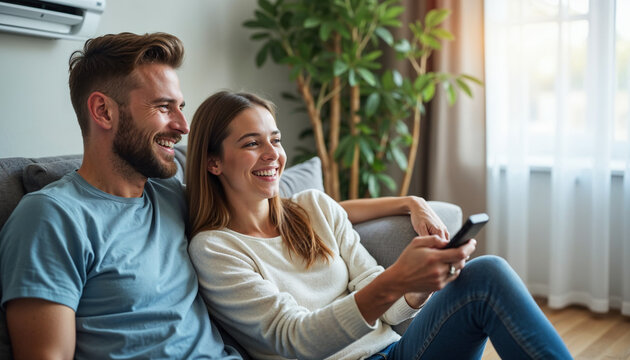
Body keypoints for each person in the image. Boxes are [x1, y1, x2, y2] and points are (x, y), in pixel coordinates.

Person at [0, 32, 447, 359]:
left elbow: (286, 209)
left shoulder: (169, 192)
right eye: (163, 107)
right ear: (103, 111)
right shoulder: (51, 217)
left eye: (181, 107)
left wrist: (409, 203)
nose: (183, 126)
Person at [185, 91, 573, 360]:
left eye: (276, 139)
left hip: (398, 352)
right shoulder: (215, 249)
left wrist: (417, 286)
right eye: (252, 143)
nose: (274, 155)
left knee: (486, 273)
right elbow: (296, 339)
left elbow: (389, 312)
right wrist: (398, 278)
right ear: (212, 162)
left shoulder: (313, 207)